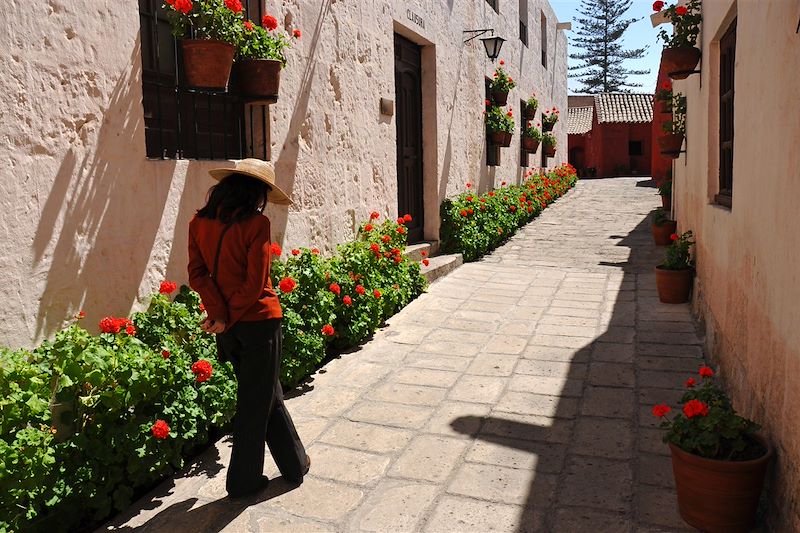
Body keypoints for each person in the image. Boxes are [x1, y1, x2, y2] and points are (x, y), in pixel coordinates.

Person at [187, 158, 309, 498]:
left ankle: (295, 463)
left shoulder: (198, 223)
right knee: (256, 402)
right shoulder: (257, 224)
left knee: (267, 394)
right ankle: (243, 482)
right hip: (258, 321)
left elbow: (197, 275)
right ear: (255, 193)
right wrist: (229, 314)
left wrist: (220, 314)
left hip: (229, 326)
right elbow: (256, 284)